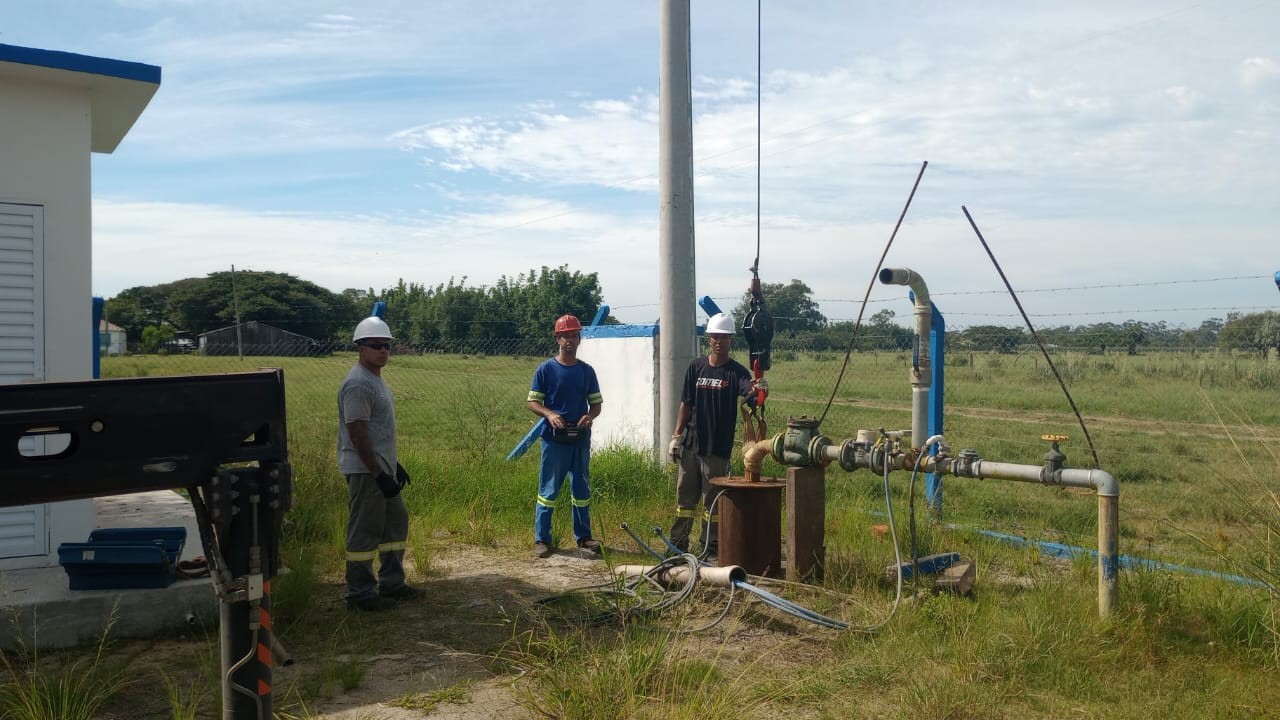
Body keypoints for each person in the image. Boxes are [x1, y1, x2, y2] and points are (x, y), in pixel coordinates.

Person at [337, 315, 424, 611]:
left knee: (394, 523)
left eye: (386, 345)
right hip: (366, 472)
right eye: (376, 345)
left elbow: (377, 431)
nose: (383, 350)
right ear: (360, 348)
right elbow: (358, 434)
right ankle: (360, 594)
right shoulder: (358, 384)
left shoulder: (375, 379)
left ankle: (392, 583)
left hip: (380, 467)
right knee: (365, 531)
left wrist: (393, 466)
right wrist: (377, 472)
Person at [668, 312, 767, 556]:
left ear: (731, 341)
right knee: (684, 499)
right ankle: (678, 545)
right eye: (714, 337)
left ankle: (710, 547)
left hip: (716, 449)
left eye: (724, 337)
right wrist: (675, 436)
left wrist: (759, 389)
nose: (718, 341)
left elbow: (751, 393)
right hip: (691, 445)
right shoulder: (696, 367)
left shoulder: (736, 372)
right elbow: (685, 404)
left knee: (711, 501)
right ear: (708, 339)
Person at [526, 314, 604, 558]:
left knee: (581, 489)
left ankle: (584, 537)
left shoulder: (587, 372)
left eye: (574, 335)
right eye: (565, 336)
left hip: (579, 439)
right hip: (554, 440)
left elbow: (596, 406)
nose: (569, 340)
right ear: (557, 338)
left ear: (579, 338)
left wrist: (589, 417)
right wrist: (549, 415)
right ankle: (542, 539)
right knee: (548, 490)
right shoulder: (546, 370)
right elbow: (532, 402)